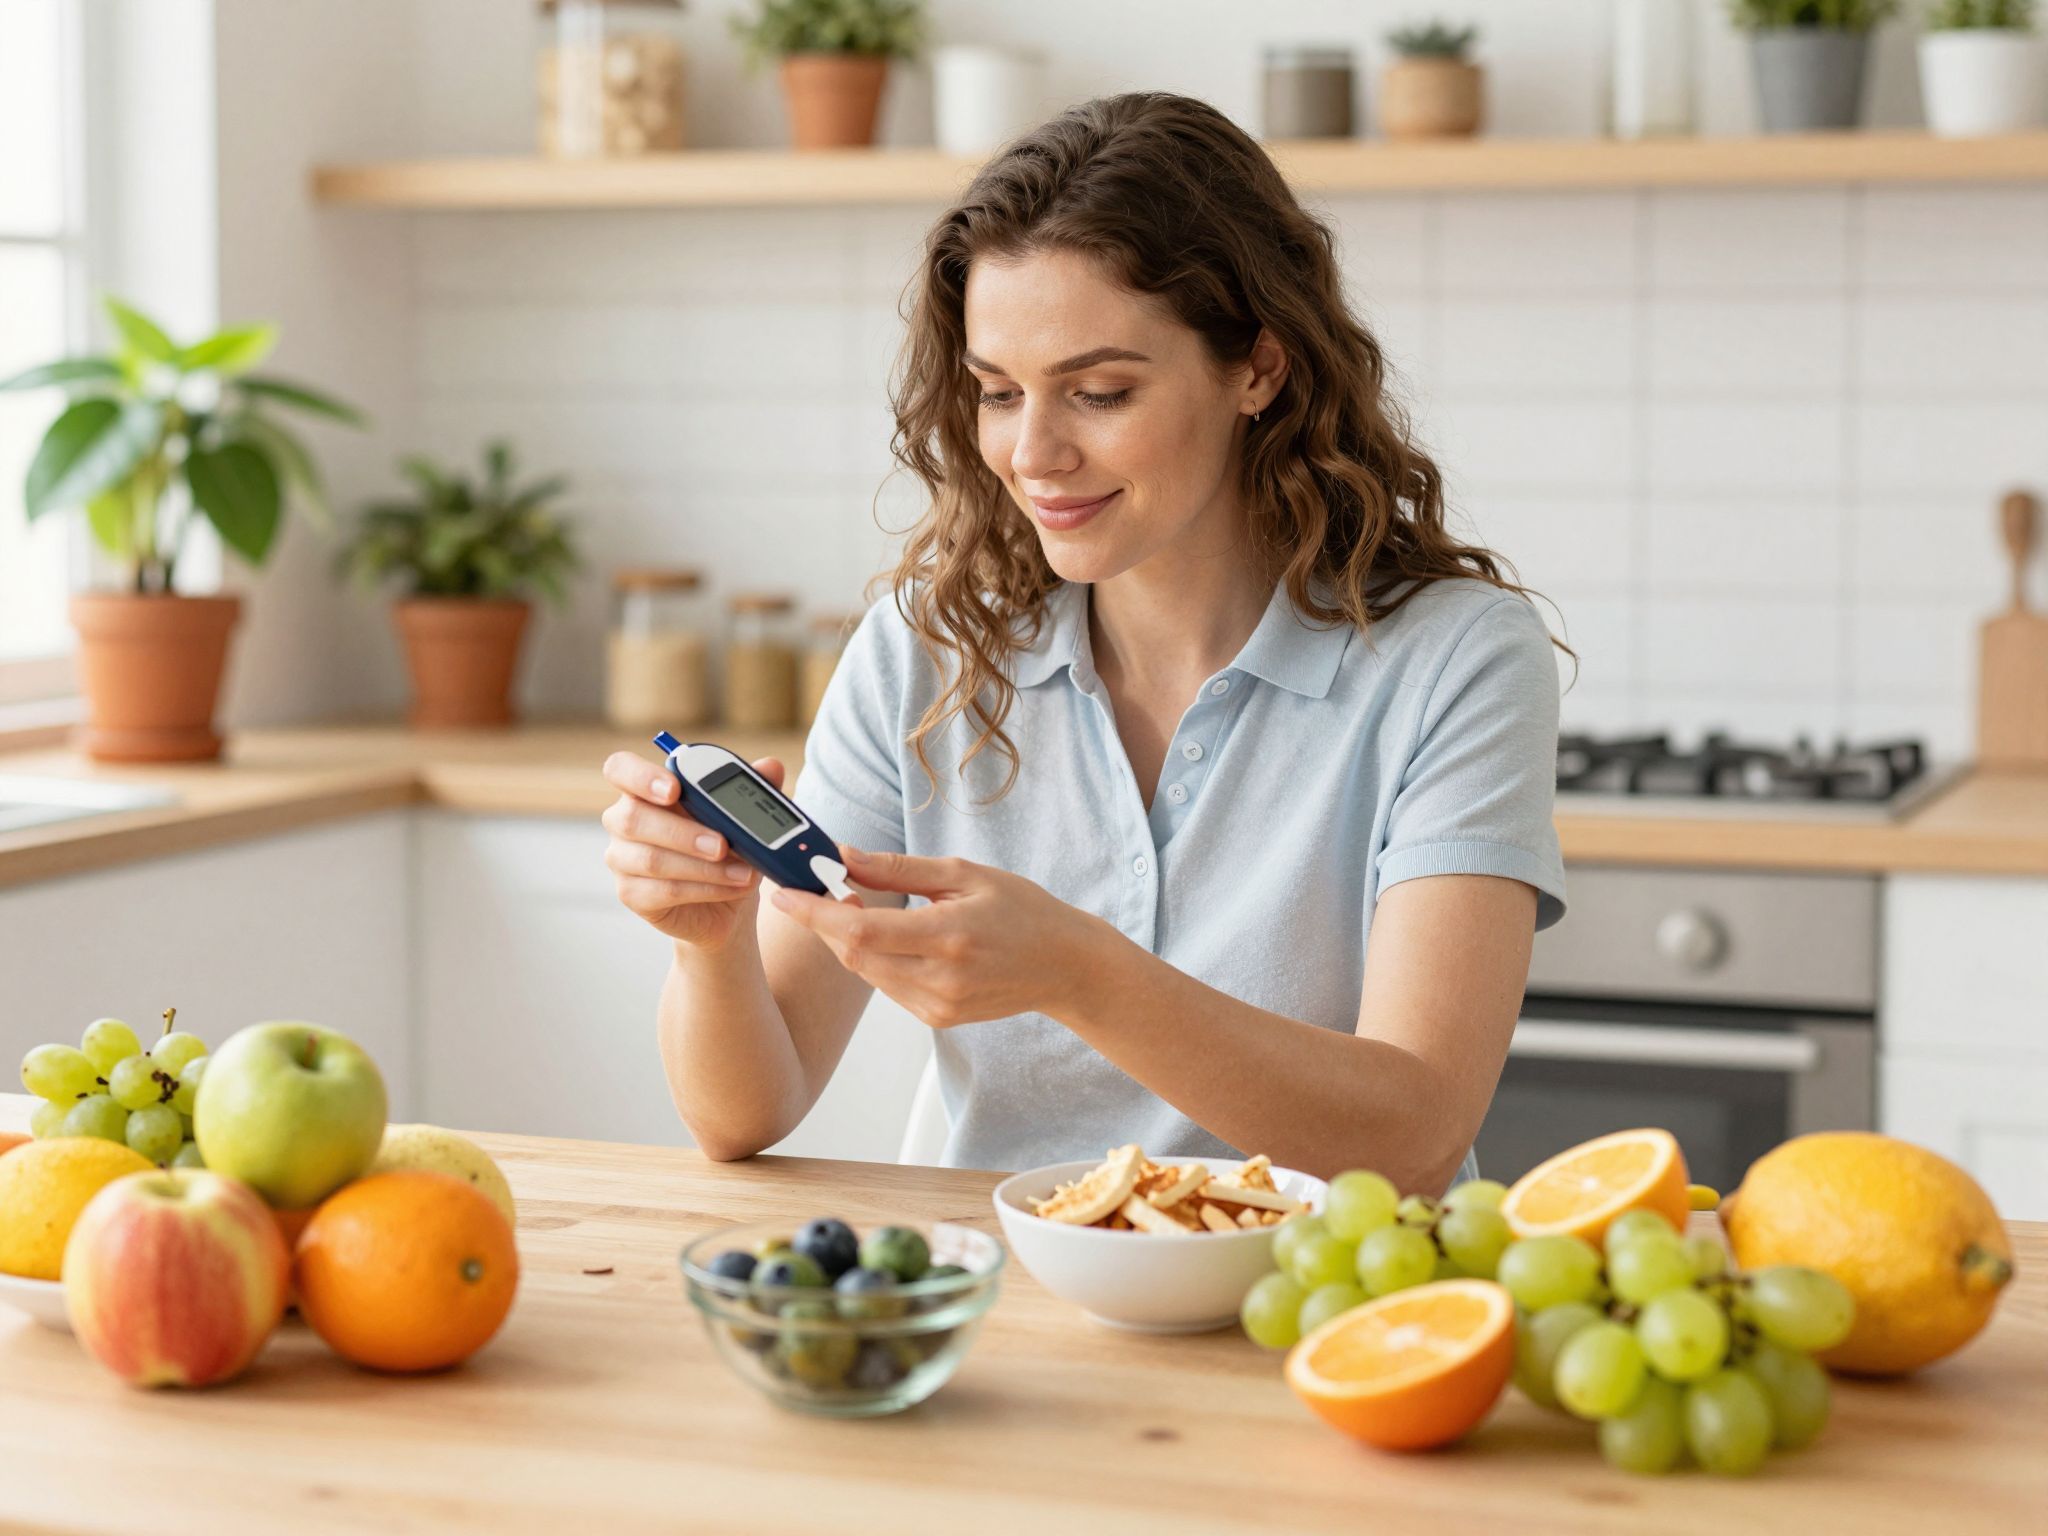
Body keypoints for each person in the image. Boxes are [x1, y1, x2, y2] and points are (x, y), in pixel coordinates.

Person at [601, 92, 1567, 1188]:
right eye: (998, 393)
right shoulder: (926, 652)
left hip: (1326, 1315)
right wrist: (706, 941)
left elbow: (1413, 1133)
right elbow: (744, 1114)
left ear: (1259, 367)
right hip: (1011, 1304)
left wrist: (1078, 973)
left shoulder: (1454, 661)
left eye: (1098, 391)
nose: (1033, 452)